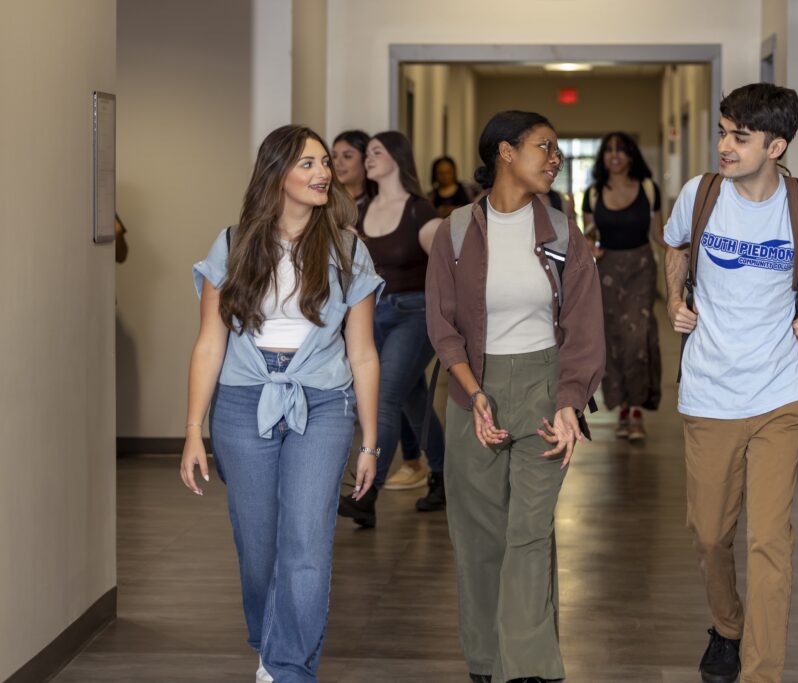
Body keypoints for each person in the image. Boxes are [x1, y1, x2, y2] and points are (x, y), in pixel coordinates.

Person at [663, 84, 798, 683]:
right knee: (709, 535)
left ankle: (762, 672)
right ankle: (727, 626)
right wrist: (676, 297)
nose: (724, 146)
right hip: (708, 391)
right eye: (723, 132)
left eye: (739, 137)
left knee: (769, 541)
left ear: (776, 146)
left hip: (779, 394)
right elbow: (675, 243)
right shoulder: (701, 195)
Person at [180, 124, 385, 681]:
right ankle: (271, 640)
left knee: (307, 543)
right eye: (309, 164)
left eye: (326, 162)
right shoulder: (232, 244)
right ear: (277, 174)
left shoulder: (347, 250)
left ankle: (288, 666)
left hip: (322, 402)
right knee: (258, 547)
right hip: (244, 401)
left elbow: (363, 354)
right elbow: (209, 342)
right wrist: (193, 428)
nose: (324, 173)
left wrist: (370, 443)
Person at [426, 110, 605, 683]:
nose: (553, 159)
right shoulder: (454, 232)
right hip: (470, 391)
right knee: (479, 534)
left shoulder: (561, 233)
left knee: (529, 530)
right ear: (505, 152)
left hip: (544, 390)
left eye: (556, 151)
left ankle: (528, 668)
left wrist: (571, 400)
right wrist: (474, 393)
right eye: (543, 148)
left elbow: (583, 325)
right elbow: (441, 323)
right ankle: (486, 661)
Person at [337, 131, 447, 527]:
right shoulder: (360, 210)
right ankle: (443, 474)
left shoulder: (419, 210)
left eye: (376, 152)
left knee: (382, 395)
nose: (368, 159)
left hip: (414, 315)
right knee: (411, 399)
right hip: (371, 317)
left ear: (397, 157)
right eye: (366, 153)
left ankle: (367, 494)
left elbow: (449, 265)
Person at [581, 131, 664, 442]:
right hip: (606, 272)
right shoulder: (592, 193)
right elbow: (588, 234)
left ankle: (638, 408)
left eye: (621, 150)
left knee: (637, 336)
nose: (614, 155)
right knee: (613, 339)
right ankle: (624, 408)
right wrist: (589, 246)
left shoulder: (648, 189)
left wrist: (684, 256)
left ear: (631, 155)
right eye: (609, 150)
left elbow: (658, 235)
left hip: (641, 268)